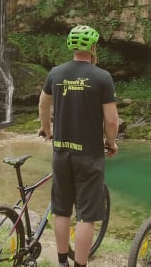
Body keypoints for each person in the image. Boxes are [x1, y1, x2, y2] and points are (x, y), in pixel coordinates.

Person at [38, 25, 119, 267]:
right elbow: (112, 120)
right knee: (87, 216)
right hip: (89, 155)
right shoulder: (102, 77)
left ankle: (62, 262)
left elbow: (43, 105)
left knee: (61, 209)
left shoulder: (55, 73)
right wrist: (111, 142)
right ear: (93, 48)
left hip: (61, 152)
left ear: (71, 47)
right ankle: (80, 265)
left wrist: (47, 128)